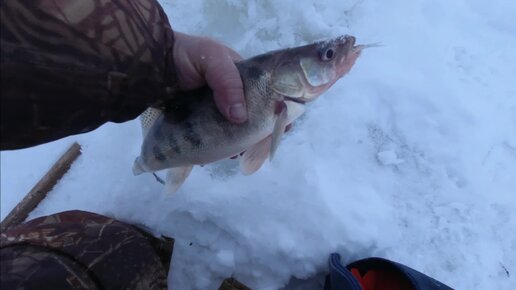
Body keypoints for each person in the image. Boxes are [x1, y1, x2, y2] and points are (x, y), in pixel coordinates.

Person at [1, 1, 455, 290]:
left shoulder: (281, 98)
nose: (335, 55)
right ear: (286, 77)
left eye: (328, 54)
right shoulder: (276, 100)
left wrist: (164, 58)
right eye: (325, 56)